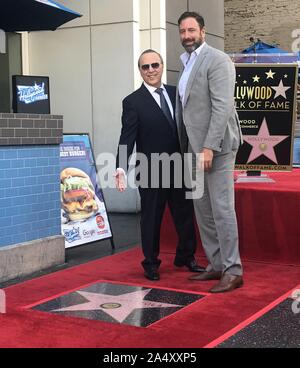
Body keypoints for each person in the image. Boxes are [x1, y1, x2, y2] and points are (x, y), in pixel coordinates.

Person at [115, 49, 205, 281]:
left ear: (162, 66)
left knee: (185, 216)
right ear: (140, 71)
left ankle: (186, 256)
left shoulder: (177, 93)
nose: (151, 70)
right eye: (146, 67)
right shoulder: (132, 102)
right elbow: (127, 137)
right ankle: (151, 263)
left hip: (179, 168)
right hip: (151, 171)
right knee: (151, 219)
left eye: (155, 65)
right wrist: (120, 167)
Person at [176, 12, 244, 293]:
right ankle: (216, 264)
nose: (187, 35)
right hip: (193, 149)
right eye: (182, 31)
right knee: (203, 210)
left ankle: (233, 269)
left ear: (203, 31)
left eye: (192, 30)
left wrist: (208, 147)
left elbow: (223, 106)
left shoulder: (217, 60)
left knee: (222, 209)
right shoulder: (187, 63)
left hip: (216, 148)